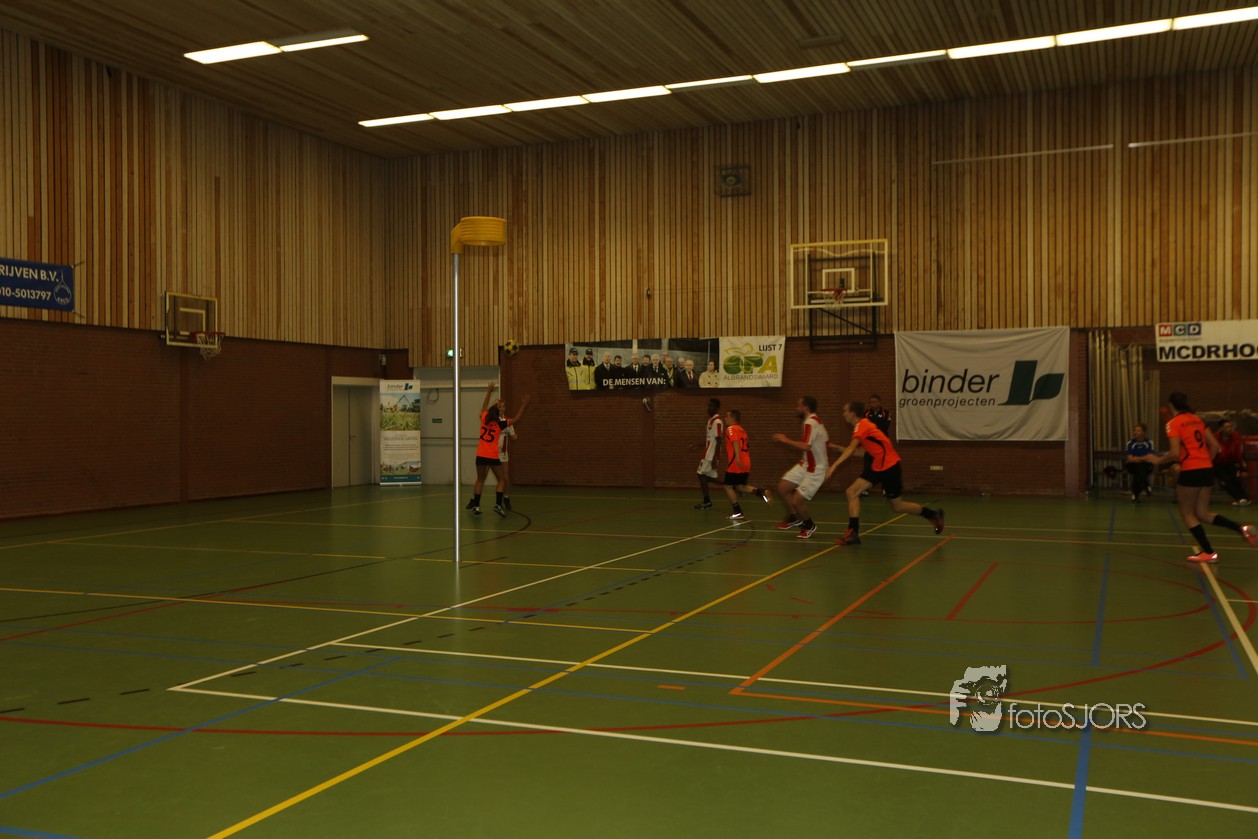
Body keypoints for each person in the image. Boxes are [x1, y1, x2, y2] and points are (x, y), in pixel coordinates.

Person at [1144, 392, 1255, 563]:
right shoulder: (1197, 419)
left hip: (1191, 470)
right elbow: (1215, 446)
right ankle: (1241, 528)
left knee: (1187, 513)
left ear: (1171, 406)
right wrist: (1205, 463)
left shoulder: (1173, 423)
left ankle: (1209, 552)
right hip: (1206, 469)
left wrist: (1157, 460)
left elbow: (1174, 453)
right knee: (1202, 513)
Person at [826, 400, 945, 545]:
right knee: (851, 492)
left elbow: (852, 448)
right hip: (878, 466)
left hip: (890, 467)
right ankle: (853, 533)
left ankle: (933, 514)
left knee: (898, 506)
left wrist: (835, 465)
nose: (843, 414)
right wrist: (839, 449)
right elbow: (863, 452)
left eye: (845, 411)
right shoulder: (864, 426)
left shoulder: (861, 425)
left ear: (852, 413)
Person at [466, 383, 530, 517]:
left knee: (480, 480)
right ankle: (498, 505)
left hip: (480, 455)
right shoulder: (500, 424)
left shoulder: (484, 418)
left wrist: (489, 392)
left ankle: (476, 506)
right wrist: (524, 405)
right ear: (497, 412)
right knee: (501, 480)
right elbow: (517, 419)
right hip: (492, 456)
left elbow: (484, 407)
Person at [771, 396, 829, 539]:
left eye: (798, 406)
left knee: (797, 500)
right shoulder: (814, 421)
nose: (796, 408)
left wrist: (785, 440)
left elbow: (806, 446)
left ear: (805, 408)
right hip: (806, 464)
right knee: (782, 487)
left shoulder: (810, 423)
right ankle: (794, 517)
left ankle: (809, 525)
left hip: (816, 468)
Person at [722, 409, 769, 520]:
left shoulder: (730, 429)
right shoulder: (742, 430)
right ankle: (760, 492)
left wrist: (737, 458)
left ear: (732, 418)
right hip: (746, 461)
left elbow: (735, 442)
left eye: (727, 416)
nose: (725, 419)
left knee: (727, 486)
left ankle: (737, 511)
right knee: (740, 486)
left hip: (736, 462)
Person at [1213, 418, 1251, 507]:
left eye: (1230, 426)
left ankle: (1243, 498)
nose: (1230, 429)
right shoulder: (1215, 438)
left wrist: (1243, 469)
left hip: (1231, 462)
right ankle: (1240, 498)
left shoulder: (1236, 436)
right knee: (1225, 480)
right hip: (1218, 463)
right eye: (1227, 427)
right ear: (1221, 428)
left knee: (1235, 478)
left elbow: (1240, 453)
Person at [694, 398, 724, 509]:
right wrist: (698, 445)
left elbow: (719, 440)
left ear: (717, 408)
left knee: (701, 474)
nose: (708, 408)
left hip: (711, 455)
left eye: (711, 406)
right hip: (708, 453)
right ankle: (732, 485)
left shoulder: (717, 422)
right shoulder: (710, 421)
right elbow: (710, 440)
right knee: (707, 477)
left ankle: (707, 501)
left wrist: (715, 458)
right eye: (708, 406)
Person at [860, 394, 892, 497]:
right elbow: (863, 427)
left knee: (883, 467)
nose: (872, 404)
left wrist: (872, 428)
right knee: (867, 467)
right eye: (870, 402)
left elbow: (884, 427)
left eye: (874, 401)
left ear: (879, 402)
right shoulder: (866, 413)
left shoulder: (885, 413)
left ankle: (886, 488)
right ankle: (865, 489)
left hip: (881, 444)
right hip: (870, 445)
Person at [1124, 422, 1156, 502]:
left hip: (1146, 465)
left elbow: (1150, 457)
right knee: (1138, 468)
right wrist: (1142, 458)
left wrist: (1137, 458)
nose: (1136, 432)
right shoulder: (1130, 443)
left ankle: (1135, 495)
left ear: (1143, 432)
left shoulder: (1149, 442)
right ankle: (1146, 485)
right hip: (1132, 465)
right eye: (1135, 430)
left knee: (1139, 470)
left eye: (1138, 430)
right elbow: (1130, 459)